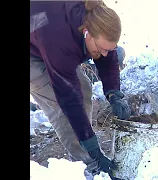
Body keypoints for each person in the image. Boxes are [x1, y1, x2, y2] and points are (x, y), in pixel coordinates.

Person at [30, 0, 131, 179]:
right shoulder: (59, 40)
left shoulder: (98, 15)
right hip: (36, 45)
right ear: (87, 33)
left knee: (84, 88)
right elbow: (69, 100)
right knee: (60, 106)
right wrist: (94, 151)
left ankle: (88, 150)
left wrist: (113, 93)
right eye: (101, 49)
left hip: (46, 31)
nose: (105, 54)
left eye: (110, 49)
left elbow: (108, 56)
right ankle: (89, 164)